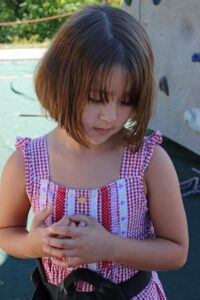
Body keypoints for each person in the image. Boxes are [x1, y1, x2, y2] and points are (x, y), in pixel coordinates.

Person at [0, 5, 188, 300]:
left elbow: (176, 251)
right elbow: (6, 229)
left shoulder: (148, 160)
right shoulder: (27, 161)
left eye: (126, 101)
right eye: (96, 98)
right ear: (61, 81)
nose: (110, 116)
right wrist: (33, 245)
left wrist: (109, 247)